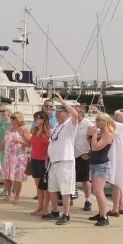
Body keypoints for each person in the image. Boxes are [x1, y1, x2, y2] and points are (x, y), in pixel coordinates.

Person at [42, 92, 79, 225]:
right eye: (56, 112)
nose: (57, 114)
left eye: (60, 112)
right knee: (52, 188)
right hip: (54, 162)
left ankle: (66, 214)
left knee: (65, 189)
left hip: (65, 162)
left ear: (66, 114)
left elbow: (75, 114)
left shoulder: (70, 124)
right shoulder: (57, 125)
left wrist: (63, 102)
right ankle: (55, 211)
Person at [0, 112, 31, 204]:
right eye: (11, 118)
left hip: (18, 157)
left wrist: (21, 141)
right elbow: (3, 142)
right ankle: (9, 193)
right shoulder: (8, 128)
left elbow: (29, 144)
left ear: (19, 119)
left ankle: (17, 196)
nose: (12, 120)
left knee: (17, 178)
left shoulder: (23, 129)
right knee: (7, 177)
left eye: (14, 118)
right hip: (8, 156)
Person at [87, 112, 115, 226]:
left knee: (99, 191)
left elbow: (96, 147)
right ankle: (100, 213)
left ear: (105, 122)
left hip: (102, 165)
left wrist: (93, 135)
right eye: (96, 119)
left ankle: (104, 217)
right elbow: (91, 147)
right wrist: (90, 137)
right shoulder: (99, 133)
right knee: (96, 191)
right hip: (94, 163)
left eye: (99, 120)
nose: (96, 122)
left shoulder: (108, 134)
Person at [25, 111, 51, 215]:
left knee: (44, 187)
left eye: (37, 118)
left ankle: (45, 209)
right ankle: (39, 207)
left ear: (43, 120)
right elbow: (30, 144)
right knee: (38, 186)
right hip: (34, 159)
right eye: (34, 118)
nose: (35, 120)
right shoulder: (35, 131)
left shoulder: (48, 132)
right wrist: (25, 136)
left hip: (43, 161)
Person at [108, 109, 123, 215]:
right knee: (119, 184)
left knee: (115, 185)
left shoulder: (122, 127)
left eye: (117, 116)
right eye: (115, 115)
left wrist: (99, 112)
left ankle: (115, 208)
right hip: (120, 159)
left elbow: (110, 121)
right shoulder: (122, 129)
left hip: (118, 159)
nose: (115, 118)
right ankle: (121, 206)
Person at [73, 105, 95, 211]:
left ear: (81, 113)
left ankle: (88, 200)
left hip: (83, 156)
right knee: (70, 178)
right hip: (71, 156)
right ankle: (70, 197)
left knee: (85, 180)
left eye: (74, 111)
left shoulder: (88, 125)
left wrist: (89, 154)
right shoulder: (70, 123)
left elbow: (93, 141)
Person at [0, 106, 12, 193]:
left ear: (9, 112)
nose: (2, 113)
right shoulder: (0, 123)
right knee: (4, 170)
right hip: (2, 149)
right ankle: (5, 189)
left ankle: (12, 190)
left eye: (4, 111)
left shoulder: (13, 123)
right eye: (0, 111)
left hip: (11, 151)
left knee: (11, 171)